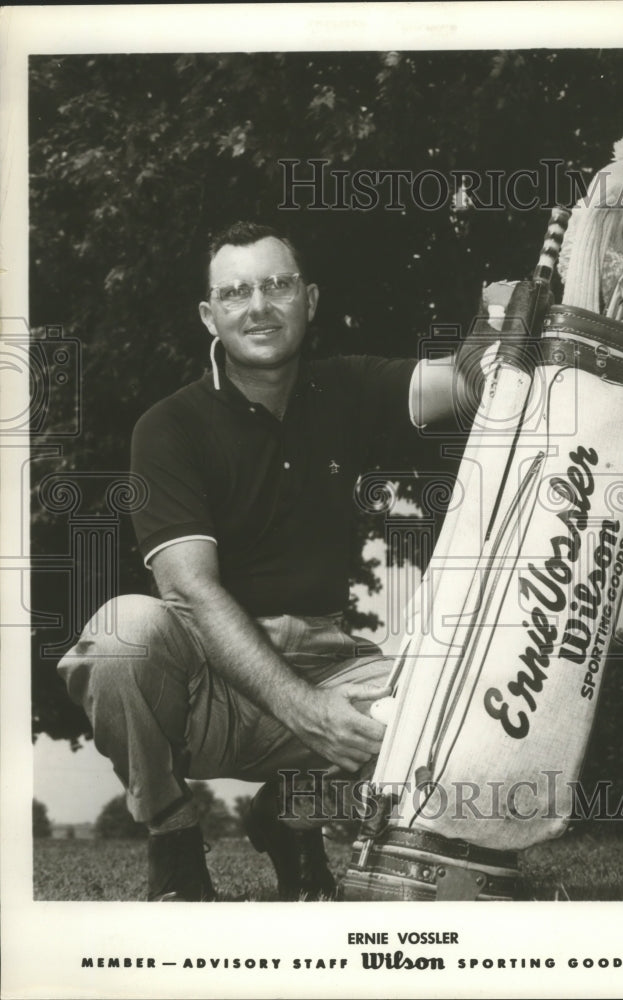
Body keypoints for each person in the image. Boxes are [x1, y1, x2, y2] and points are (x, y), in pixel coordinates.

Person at [57, 220, 496, 902]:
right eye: (235, 292)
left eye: (276, 285)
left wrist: (497, 329)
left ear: (310, 299)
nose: (257, 305)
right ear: (210, 315)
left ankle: (292, 811)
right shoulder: (169, 427)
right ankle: (173, 839)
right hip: (205, 678)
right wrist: (303, 709)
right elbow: (189, 589)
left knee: (466, 701)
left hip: (327, 660)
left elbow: (470, 388)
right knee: (121, 635)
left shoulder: (347, 387)